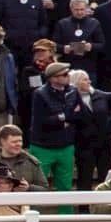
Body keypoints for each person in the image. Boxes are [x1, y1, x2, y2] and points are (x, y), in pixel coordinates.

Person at [28, 60, 85, 192]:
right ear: (53, 78)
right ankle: (33, 212)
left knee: (65, 186)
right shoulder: (40, 94)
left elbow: (81, 114)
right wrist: (65, 117)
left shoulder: (73, 91)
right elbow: (42, 121)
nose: (68, 76)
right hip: (42, 146)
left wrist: (61, 117)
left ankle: (66, 213)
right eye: (64, 74)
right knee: (37, 186)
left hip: (66, 145)